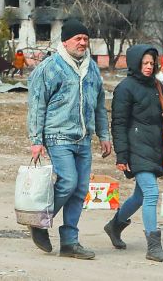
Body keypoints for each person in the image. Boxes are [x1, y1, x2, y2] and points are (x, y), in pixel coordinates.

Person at [26, 18, 111, 259]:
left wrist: (104, 134)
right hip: (57, 135)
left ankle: (69, 242)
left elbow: (99, 106)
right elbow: (36, 104)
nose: (83, 42)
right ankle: (40, 221)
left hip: (83, 138)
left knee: (81, 189)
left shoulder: (91, 68)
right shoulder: (50, 67)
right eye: (78, 38)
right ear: (66, 41)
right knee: (68, 181)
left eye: (86, 38)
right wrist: (36, 139)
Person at [104, 44, 163, 263]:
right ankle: (153, 247)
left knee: (140, 196)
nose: (148, 66)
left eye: (152, 63)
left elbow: (154, 113)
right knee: (152, 193)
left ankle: (114, 226)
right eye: (144, 63)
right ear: (135, 63)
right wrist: (122, 155)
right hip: (136, 148)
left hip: (153, 145)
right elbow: (119, 123)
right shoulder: (125, 88)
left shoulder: (156, 85)